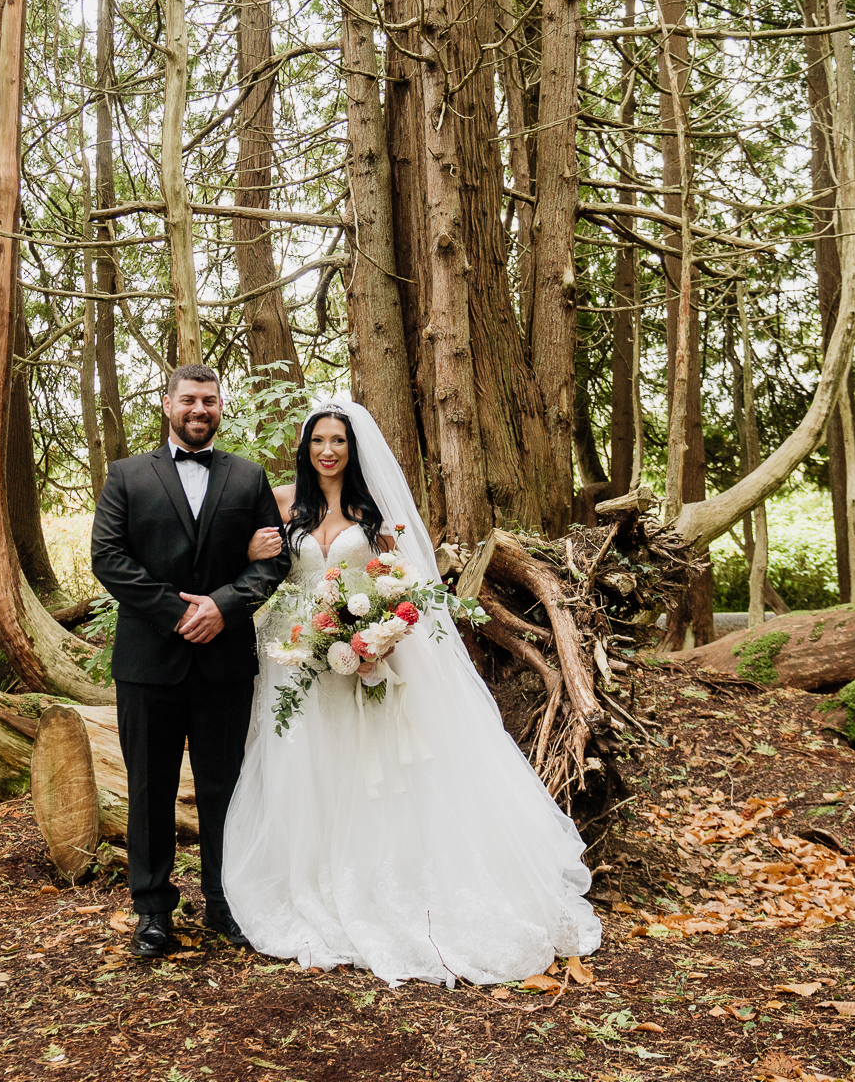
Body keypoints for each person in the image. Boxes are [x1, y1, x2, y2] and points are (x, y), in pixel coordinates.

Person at [221, 398, 601, 986]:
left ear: (353, 449)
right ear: (304, 447)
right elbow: (247, 564)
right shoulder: (279, 504)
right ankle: (308, 879)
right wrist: (248, 552)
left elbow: (404, 586)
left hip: (355, 652)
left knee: (358, 765)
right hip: (290, 654)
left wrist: (382, 635)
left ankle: (375, 881)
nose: (328, 450)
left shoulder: (372, 513)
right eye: (318, 440)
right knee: (299, 761)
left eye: (338, 441)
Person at [90, 365, 291, 958]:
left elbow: (274, 561)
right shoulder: (127, 475)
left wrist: (225, 607)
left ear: (220, 407)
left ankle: (227, 902)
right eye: (188, 400)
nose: (198, 409)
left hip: (224, 663)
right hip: (148, 662)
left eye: (208, 400)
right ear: (167, 404)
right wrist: (177, 613)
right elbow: (108, 557)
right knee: (149, 787)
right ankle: (152, 911)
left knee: (225, 788)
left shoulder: (248, 477)